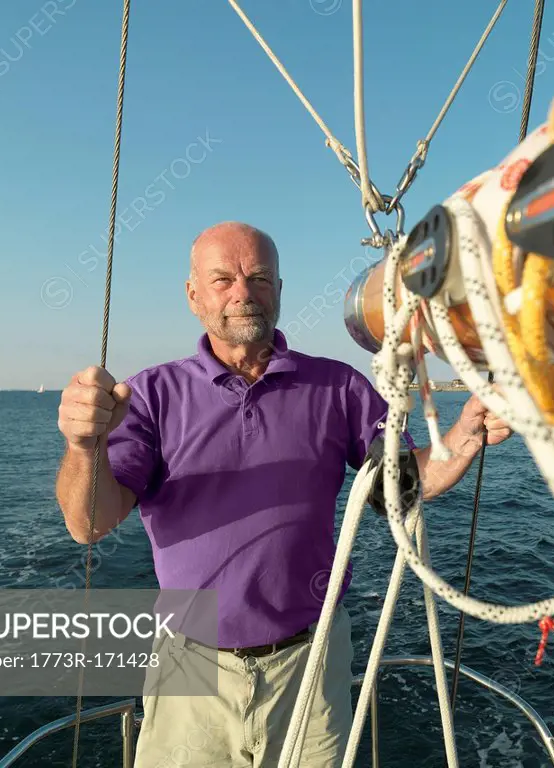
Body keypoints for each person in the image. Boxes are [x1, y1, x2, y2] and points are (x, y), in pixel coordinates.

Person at [54, 221, 512, 767]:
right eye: (222, 279)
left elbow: (397, 485)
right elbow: (89, 523)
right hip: (188, 666)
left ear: (279, 289)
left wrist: (461, 439)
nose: (243, 293)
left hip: (310, 664)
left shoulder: (339, 387)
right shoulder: (152, 396)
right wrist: (84, 446)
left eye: (259, 278)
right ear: (193, 293)